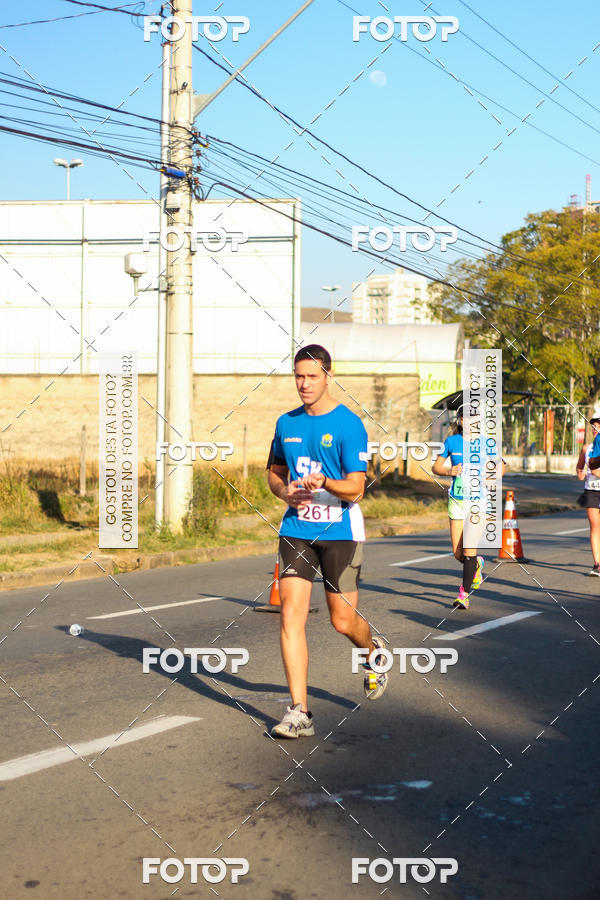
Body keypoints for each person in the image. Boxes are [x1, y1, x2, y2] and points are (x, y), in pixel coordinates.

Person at [266, 344, 388, 739]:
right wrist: (286, 493)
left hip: (340, 532)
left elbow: (356, 488)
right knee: (291, 616)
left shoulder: (350, 425)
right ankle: (299, 711)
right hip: (297, 529)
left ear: (328, 376)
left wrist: (325, 483)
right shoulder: (286, 423)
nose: (304, 384)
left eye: (312, 377)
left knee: (341, 621)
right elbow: (273, 473)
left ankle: (373, 652)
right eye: (299, 377)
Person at [432, 412, 485, 609]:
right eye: (466, 418)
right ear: (461, 421)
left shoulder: (486, 443)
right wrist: (448, 471)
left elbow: (501, 467)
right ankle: (476, 565)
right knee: (457, 553)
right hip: (456, 501)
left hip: (477, 501)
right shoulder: (451, 441)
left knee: (469, 549)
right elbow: (436, 467)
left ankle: (463, 594)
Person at [576, 416, 600, 575]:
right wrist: (582, 472)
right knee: (594, 526)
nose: (595, 429)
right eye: (594, 427)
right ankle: (597, 564)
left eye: (598, 427)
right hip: (591, 491)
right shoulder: (586, 448)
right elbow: (579, 471)